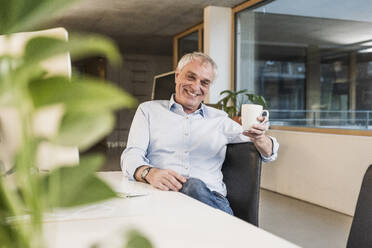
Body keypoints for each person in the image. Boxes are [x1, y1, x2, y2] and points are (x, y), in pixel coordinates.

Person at [121, 52, 279, 215]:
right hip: (161, 198)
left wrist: (260, 137)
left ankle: (225, 229)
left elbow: (269, 151)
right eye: (191, 77)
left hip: (210, 200)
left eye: (204, 82)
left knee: (193, 186)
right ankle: (230, 233)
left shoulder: (220, 120)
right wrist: (149, 173)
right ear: (177, 76)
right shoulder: (148, 111)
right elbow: (131, 155)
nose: (196, 87)